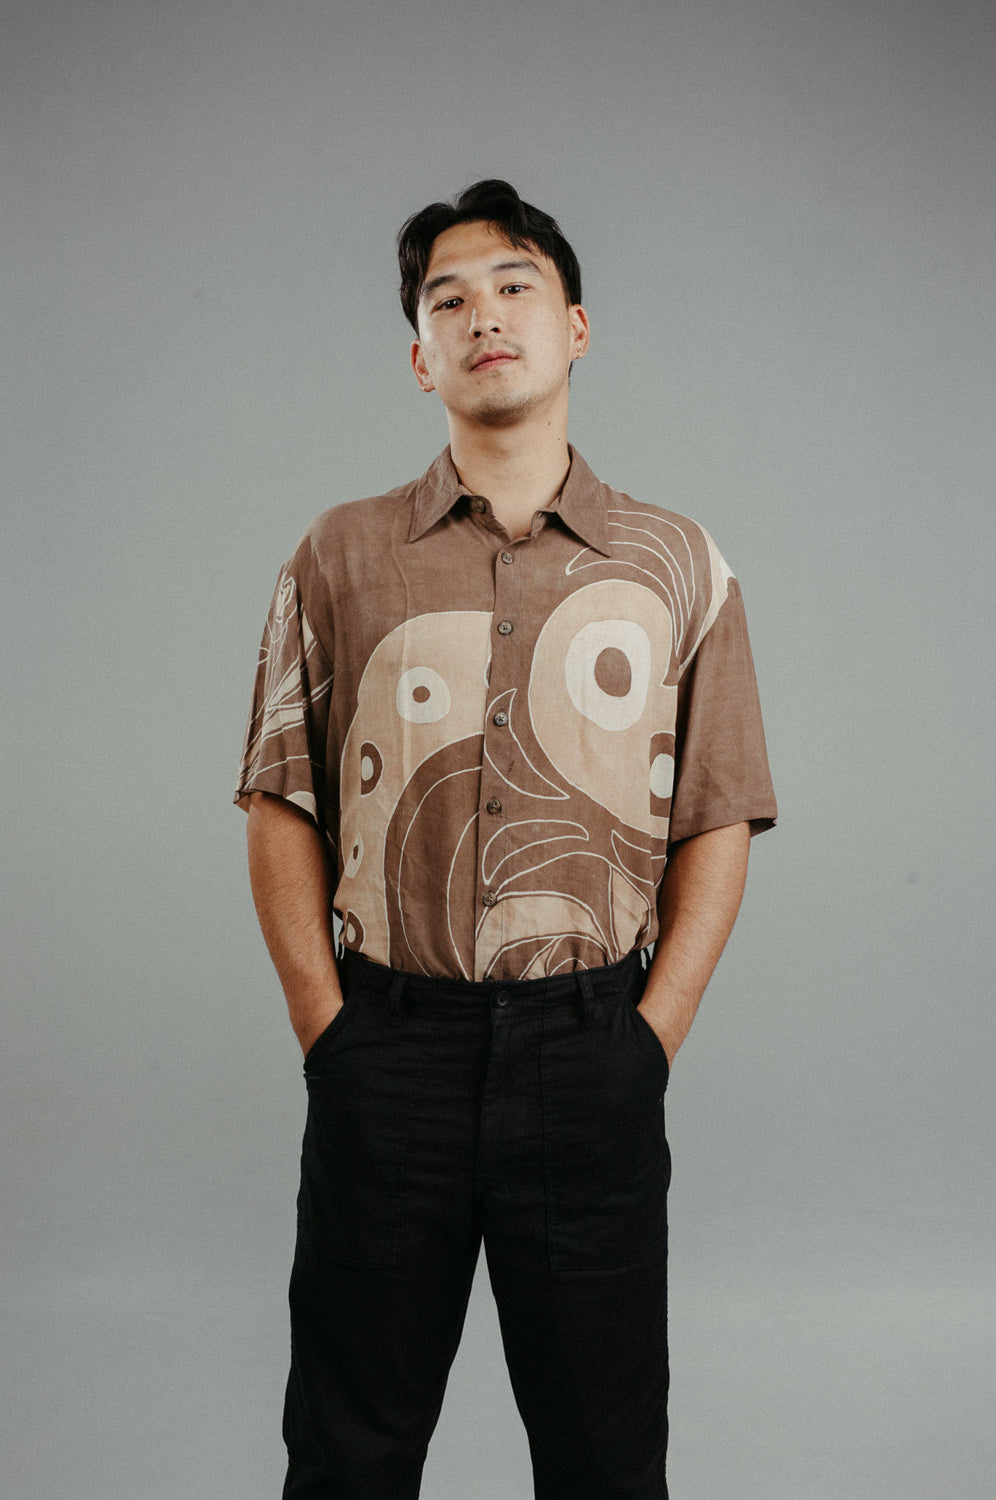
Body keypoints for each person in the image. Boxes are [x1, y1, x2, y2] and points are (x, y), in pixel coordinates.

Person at [235, 179, 776, 1499]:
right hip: (388, 1056)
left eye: (515, 286)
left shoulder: (676, 563)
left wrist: (650, 1037)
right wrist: (329, 1026)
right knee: (347, 1451)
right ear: (419, 357)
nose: (485, 316)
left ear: (576, 325)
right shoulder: (337, 556)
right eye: (448, 300)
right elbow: (279, 796)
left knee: (604, 1456)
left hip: (589, 1059)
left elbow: (718, 809)